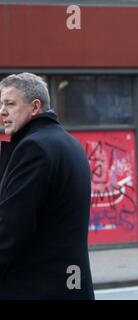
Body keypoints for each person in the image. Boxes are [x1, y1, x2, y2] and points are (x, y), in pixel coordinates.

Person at [0, 73, 94, 299]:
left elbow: (11, 228)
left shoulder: (34, 147)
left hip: (37, 287)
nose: (2, 111)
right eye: (1, 104)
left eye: (10, 104)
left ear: (35, 107)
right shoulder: (68, 142)